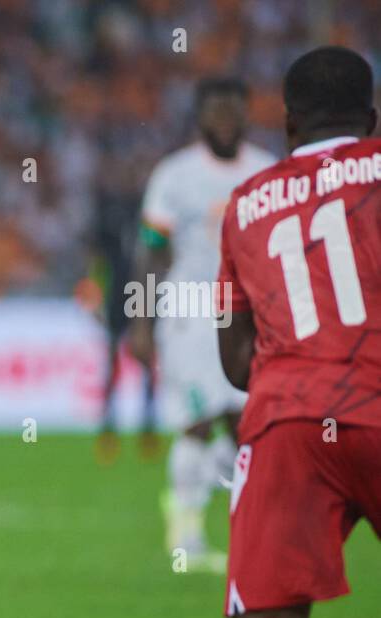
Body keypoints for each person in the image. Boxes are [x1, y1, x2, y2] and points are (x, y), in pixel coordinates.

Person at [216, 46, 381, 618]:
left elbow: (233, 359)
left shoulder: (246, 201)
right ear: (373, 116)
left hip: (285, 421)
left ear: (284, 124)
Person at [131, 78, 275, 570]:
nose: (225, 122)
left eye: (233, 112)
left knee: (245, 426)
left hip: (247, 311)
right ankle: (185, 538)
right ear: (200, 118)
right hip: (189, 306)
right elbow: (152, 252)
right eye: (216, 113)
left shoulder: (265, 172)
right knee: (197, 421)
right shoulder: (174, 175)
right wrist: (142, 321)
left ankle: (246, 533)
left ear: (245, 115)